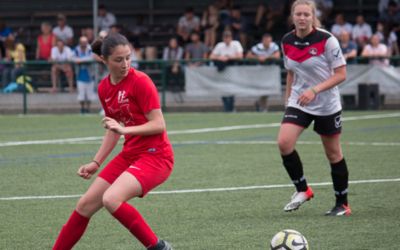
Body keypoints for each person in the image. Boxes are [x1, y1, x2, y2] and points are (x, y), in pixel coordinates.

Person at [52, 33, 174, 250]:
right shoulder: (104, 88)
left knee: (111, 199)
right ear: (104, 60)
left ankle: (159, 248)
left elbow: (158, 124)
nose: (125, 64)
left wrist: (125, 129)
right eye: (119, 60)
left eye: (128, 57)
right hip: (130, 154)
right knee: (84, 205)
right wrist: (96, 163)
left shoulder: (141, 81)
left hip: (156, 156)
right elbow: (113, 129)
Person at [279, 0, 351, 216]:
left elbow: (341, 74)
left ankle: (343, 204)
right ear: (293, 17)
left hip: (326, 104)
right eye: (298, 14)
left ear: (313, 17)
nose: (302, 18)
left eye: (306, 14)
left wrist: (315, 90)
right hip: (299, 102)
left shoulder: (327, 40)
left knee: (333, 153)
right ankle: (303, 190)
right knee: (284, 143)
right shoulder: (286, 40)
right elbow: (291, 72)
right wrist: (288, 100)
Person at [209, 29, 243, 112]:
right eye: (225, 38)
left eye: (228, 38)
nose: (226, 40)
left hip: (233, 71)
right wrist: (220, 58)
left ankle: (231, 107)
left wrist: (228, 57)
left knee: (231, 89)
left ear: (231, 38)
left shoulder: (236, 44)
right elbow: (211, 57)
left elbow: (240, 56)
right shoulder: (220, 45)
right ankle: (226, 107)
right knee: (223, 89)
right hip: (222, 72)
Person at [246, 33, 280, 112]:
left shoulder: (274, 46)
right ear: (263, 41)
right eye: (266, 41)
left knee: (268, 90)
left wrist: (266, 57)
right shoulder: (257, 47)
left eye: (269, 41)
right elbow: (248, 56)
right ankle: (264, 107)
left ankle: (260, 103)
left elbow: (277, 56)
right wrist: (258, 57)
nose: (267, 43)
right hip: (260, 72)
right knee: (263, 90)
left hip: (270, 72)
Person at [73, 36, 96, 114]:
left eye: (85, 42)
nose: (84, 44)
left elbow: (91, 58)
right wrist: (81, 60)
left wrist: (80, 60)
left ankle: (88, 109)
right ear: (80, 43)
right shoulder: (76, 49)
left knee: (89, 94)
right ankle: (82, 109)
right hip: (80, 76)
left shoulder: (90, 49)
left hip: (90, 76)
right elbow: (73, 58)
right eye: (82, 42)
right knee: (81, 95)